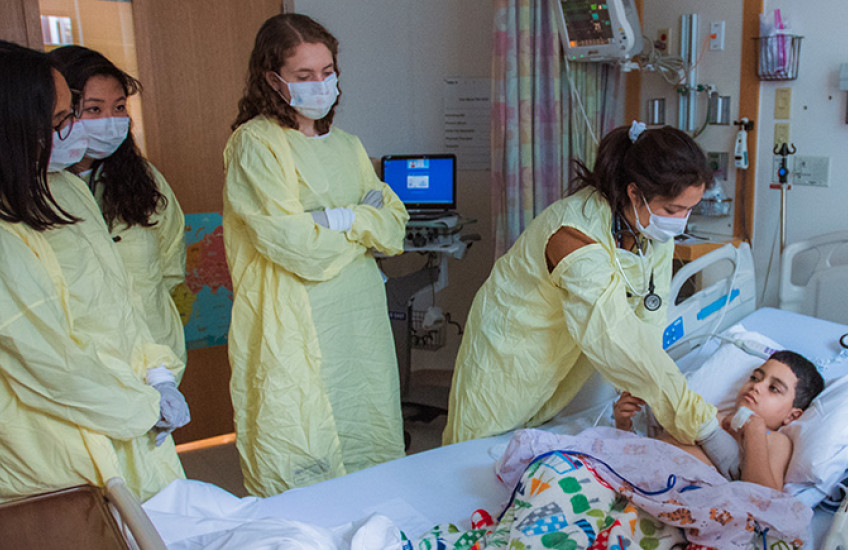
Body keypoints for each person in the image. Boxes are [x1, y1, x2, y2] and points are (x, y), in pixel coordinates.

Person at [444, 122, 721, 447]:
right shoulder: (572, 236)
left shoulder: (652, 233)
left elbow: (649, 317)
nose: (679, 221)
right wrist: (702, 425)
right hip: (508, 356)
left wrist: (646, 388)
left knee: (529, 454)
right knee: (474, 458)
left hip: (562, 359)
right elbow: (614, 334)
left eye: (690, 210)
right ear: (634, 193)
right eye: (673, 209)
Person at [223, 13, 409, 496]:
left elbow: (393, 227)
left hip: (359, 317)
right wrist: (359, 222)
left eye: (327, 72)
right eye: (304, 76)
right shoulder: (255, 145)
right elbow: (295, 247)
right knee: (303, 445)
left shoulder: (349, 146)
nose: (320, 84)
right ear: (272, 79)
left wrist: (337, 219)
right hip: (295, 319)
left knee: (368, 433)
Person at [0, 41, 188, 502]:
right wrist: (140, 408)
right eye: (65, 118)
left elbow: (122, 304)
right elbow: (45, 362)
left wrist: (157, 376)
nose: (74, 133)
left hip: (127, 408)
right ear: (17, 125)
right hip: (64, 443)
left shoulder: (65, 189)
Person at [47, 45, 187, 362]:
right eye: (94, 109)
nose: (110, 121)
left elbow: (169, 261)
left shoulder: (144, 178)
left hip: (155, 357)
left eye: (120, 107)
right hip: (83, 370)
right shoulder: (38, 190)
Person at [615, 350, 824, 491]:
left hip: (674, 498)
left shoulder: (774, 440)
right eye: (755, 378)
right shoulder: (705, 414)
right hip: (631, 475)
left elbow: (765, 499)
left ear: (792, 416)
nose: (756, 387)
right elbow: (650, 444)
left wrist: (754, 434)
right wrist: (624, 424)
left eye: (774, 388)